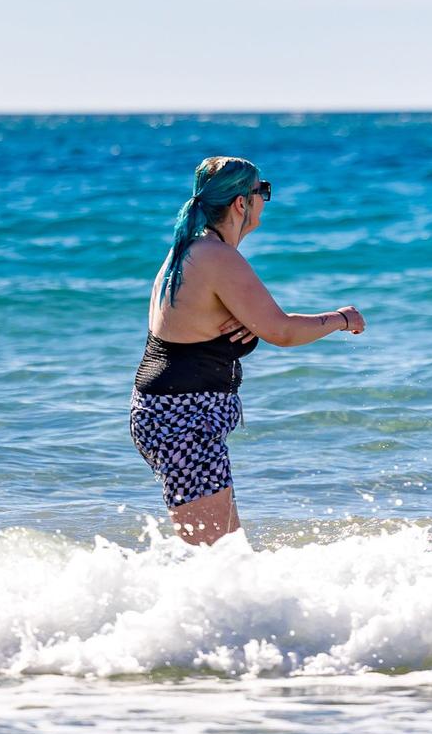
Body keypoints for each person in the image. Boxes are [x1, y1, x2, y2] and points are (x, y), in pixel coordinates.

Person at [131, 155, 365, 545]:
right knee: (221, 555)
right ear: (242, 202)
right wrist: (342, 318)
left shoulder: (190, 250)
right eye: (263, 192)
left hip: (172, 414)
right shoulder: (215, 256)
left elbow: (192, 323)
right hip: (183, 419)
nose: (263, 202)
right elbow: (284, 331)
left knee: (221, 554)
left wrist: (246, 324)